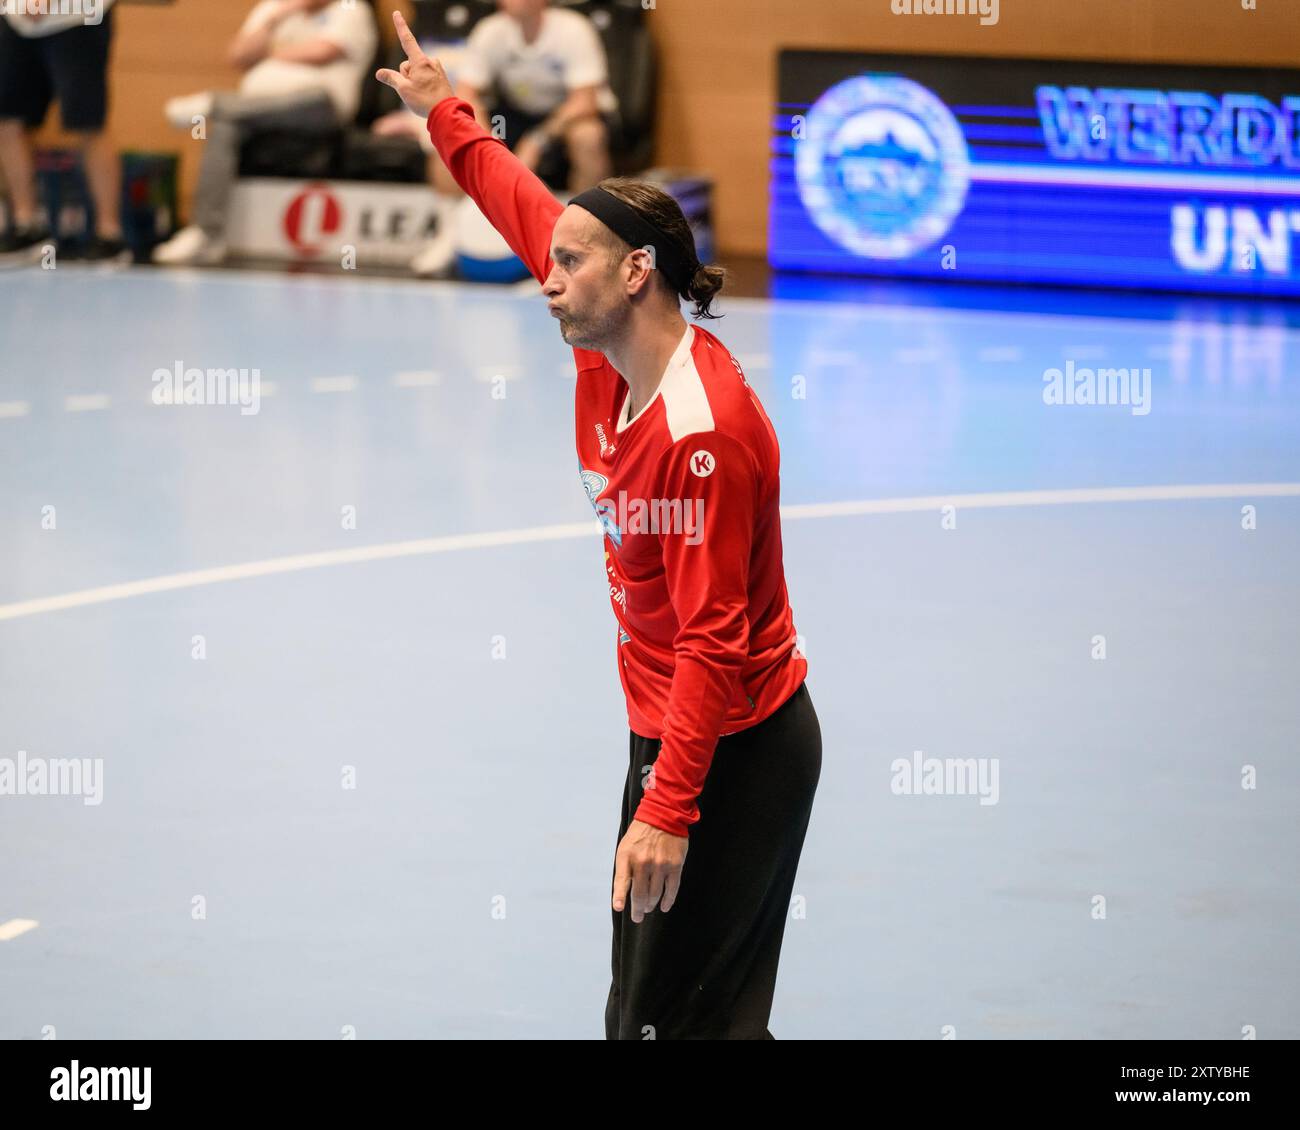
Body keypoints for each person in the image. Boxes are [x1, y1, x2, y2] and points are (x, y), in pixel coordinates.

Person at [378, 12, 821, 1039]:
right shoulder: (603, 336)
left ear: (635, 273)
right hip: (668, 724)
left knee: (671, 1023)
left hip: (733, 746)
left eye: (568, 263)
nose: (546, 274)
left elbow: (714, 637)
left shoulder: (701, 433)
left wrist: (667, 808)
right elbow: (516, 198)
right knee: (652, 1013)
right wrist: (441, 105)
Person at [374, 0, 617, 277]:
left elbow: (584, 101)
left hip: (567, 119)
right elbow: (466, 94)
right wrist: (482, 144)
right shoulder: (491, 30)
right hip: (516, 116)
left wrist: (537, 140)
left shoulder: (573, 29)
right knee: (450, 131)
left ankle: (584, 245)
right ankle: (449, 235)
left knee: (588, 135)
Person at [152, 0, 377, 266]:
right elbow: (238, 56)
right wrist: (275, 19)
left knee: (307, 100)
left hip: (321, 110)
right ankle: (206, 235)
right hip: (255, 113)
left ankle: (214, 104)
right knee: (225, 126)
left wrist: (268, 54)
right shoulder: (273, 8)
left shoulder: (352, 8)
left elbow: (323, 51)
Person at [0, 0, 128, 265]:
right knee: (7, 119)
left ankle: (109, 235)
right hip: (15, 18)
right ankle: (28, 226)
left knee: (88, 123)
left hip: (76, 16)